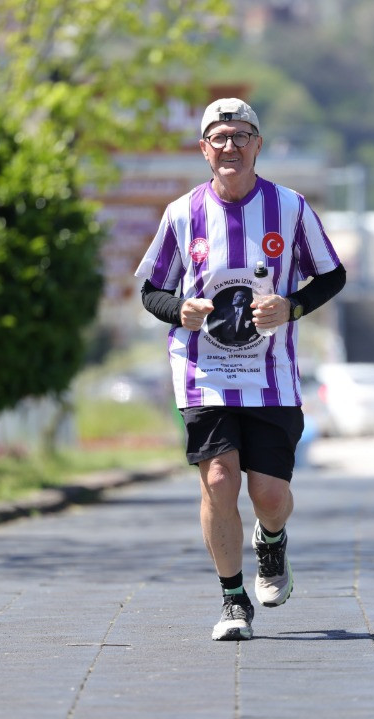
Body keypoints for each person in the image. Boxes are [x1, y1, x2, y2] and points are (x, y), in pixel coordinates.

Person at [135, 98, 347, 641]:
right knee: (220, 480)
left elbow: (331, 275)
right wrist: (177, 309)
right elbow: (150, 287)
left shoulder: (291, 208)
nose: (230, 146)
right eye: (219, 137)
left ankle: (271, 543)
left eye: (241, 136)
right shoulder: (182, 214)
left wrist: (291, 307)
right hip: (204, 373)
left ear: (258, 145)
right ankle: (233, 601)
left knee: (270, 497)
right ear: (204, 149)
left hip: (271, 375)